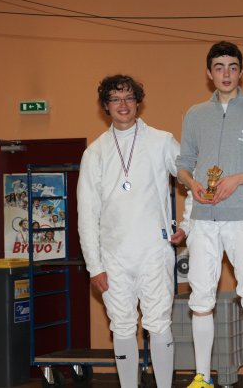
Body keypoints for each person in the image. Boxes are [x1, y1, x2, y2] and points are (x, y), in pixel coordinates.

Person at [176, 41, 243, 388]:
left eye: (232, 67)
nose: (226, 74)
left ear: (241, 72)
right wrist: (192, 183)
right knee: (200, 298)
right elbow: (183, 164)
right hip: (203, 218)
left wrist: (238, 180)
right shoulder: (194, 115)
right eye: (219, 67)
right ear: (209, 73)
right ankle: (202, 376)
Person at [78, 74, 186, 388]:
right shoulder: (95, 153)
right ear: (106, 106)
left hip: (154, 252)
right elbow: (87, 215)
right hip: (113, 258)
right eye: (115, 99)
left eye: (128, 98)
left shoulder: (162, 141)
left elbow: (191, 179)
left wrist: (188, 225)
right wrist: (94, 266)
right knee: (122, 326)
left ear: (138, 102)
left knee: (159, 322)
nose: (122, 105)